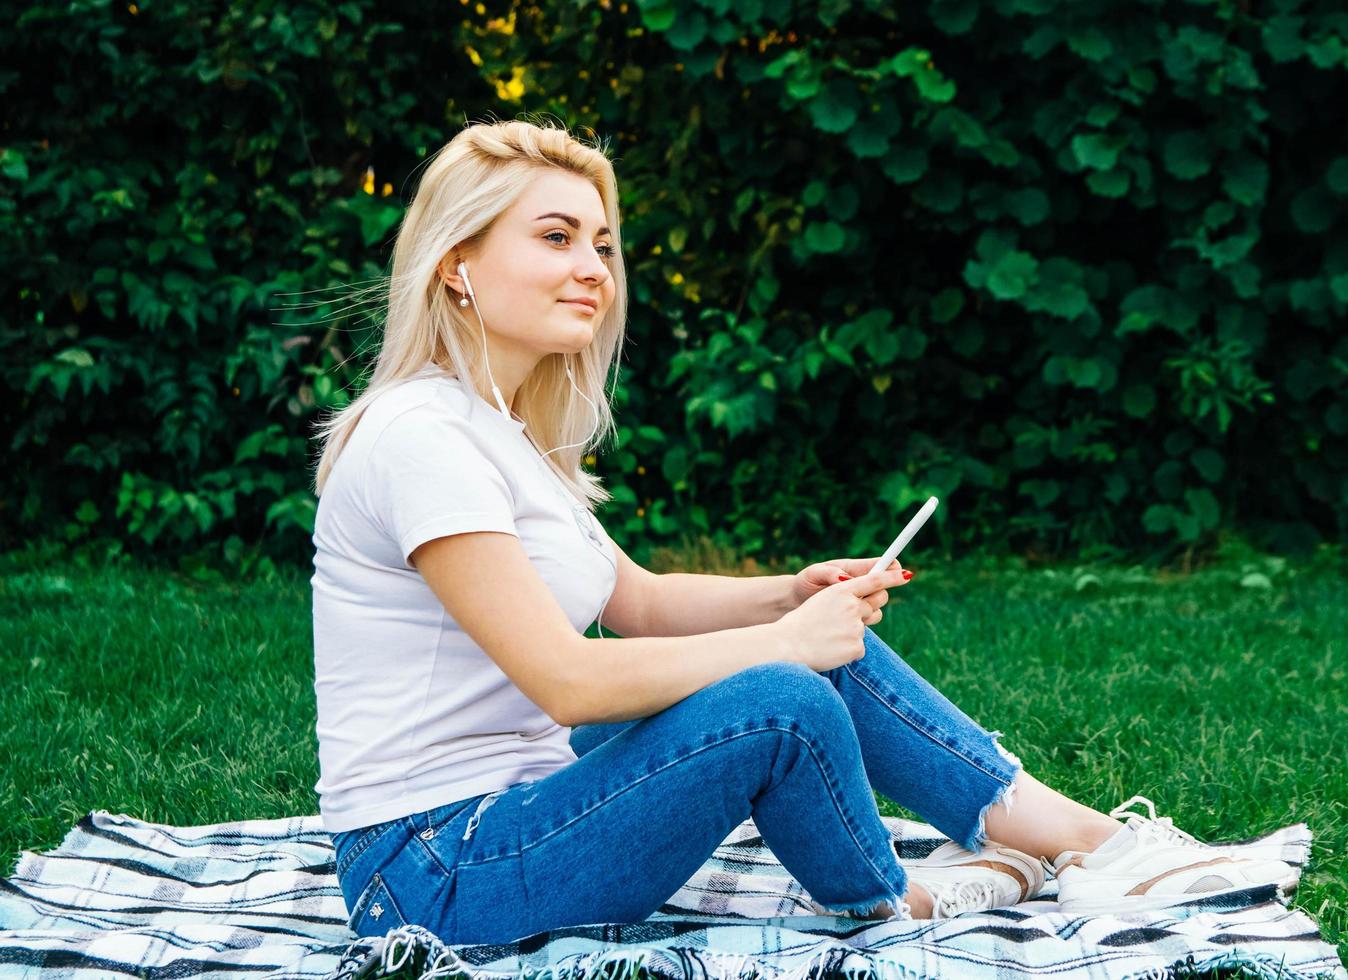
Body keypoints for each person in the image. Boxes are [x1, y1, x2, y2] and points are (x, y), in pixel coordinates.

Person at [308, 119, 1298, 945]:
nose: (593, 270)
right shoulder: (419, 436)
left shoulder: (509, 437)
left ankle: (1087, 843)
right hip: (433, 866)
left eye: (603, 245)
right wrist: (784, 643)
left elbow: (637, 601)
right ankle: (897, 896)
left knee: (812, 650)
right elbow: (567, 677)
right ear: (458, 268)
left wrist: (789, 594)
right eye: (557, 238)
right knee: (780, 694)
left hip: (523, 808)